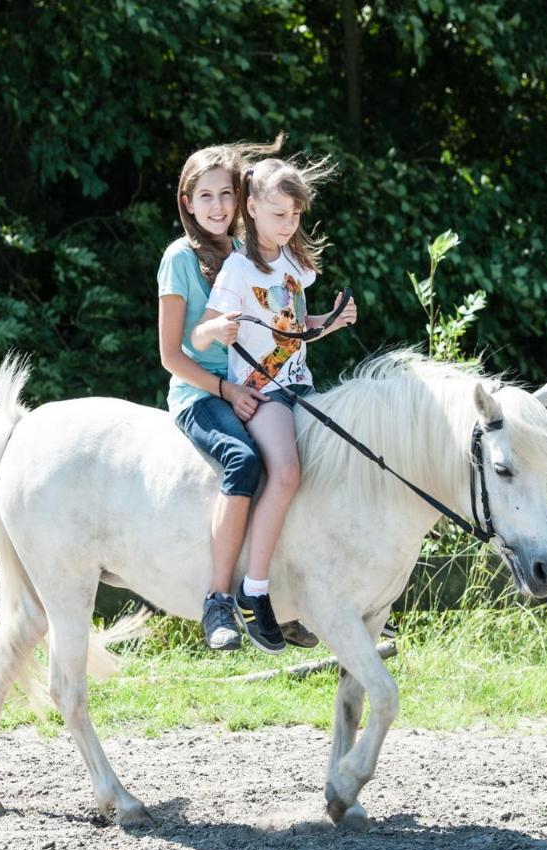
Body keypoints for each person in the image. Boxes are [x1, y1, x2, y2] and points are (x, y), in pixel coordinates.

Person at [157, 138, 319, 653]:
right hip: (201, 390)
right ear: (187, 202)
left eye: (226, 195)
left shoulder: (247, 256)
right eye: (205, 197)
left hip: (251, 385)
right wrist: (224, 387)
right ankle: (218, 600)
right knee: (242, 460)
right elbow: (173, 356)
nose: (218, 207)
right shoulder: (179, 258)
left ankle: (280, 594)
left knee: (297, 465)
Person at [191, 155, 356, 653]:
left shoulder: (295, 266)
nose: (290, 225)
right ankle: (253, 590)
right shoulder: (237, 271)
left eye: (296, 216)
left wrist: (330, 319)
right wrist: (217, 330)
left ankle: (349, 593)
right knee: (284, 472)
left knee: (341, 467)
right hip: (264, 394)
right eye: (281, 214)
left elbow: (292, 329)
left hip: (300, 383)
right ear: (253, 207)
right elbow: (200, 336)